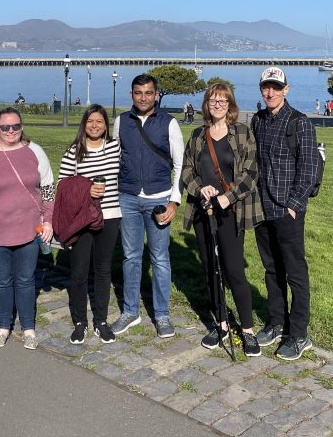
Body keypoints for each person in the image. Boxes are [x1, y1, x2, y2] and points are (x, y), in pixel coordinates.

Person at [180, 83, 263, 357]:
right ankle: (222, 323)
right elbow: (187, 171)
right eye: (213, 100)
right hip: (204, 211)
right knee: (210, 271)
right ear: (206, 104)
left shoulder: (242, 133)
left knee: (234, 270)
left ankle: (247, 329)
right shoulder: (197, 136)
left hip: (230, 212)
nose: (217, 105)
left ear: (230, 105)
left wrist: (229, 196)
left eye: (223, 101)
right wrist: (199, 188)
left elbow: (251, 172)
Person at [0, 107, 54, 349]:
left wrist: (48, 219)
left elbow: (48, 188)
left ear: (21, 127)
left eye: (15, 126)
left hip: (28, 229)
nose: (10, 131)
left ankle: (28, 328)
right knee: (2, 281)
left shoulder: (35, 152)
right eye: (5, 127)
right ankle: (4, 326)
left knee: (26, 280)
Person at [250, 67, 319, 362]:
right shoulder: (258, 120)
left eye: (276, 87)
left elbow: (310, 166)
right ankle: (277, 323)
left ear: (286, 89)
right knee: (271, 269)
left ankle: (299, 333)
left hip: (287, 210)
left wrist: (294, 204)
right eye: (266, 87)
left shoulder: (299, 122)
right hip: (261, 208)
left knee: (295, 272)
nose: (270, 92)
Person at [110, 74, 184, 339]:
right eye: (139, 93)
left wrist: (174, 200)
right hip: (128, 197)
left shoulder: (169, 123)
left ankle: (162, 315)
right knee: (131, 257)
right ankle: (130, 311)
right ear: (132, 94)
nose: (143, 98)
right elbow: (114, 158)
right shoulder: (121, 122)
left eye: (148, 93)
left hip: (159, 198)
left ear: (156, 95)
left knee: (160, 258)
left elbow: (180, 164)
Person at [58, 105, 122, 344]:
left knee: (104, 270)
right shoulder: (74, 152)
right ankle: (79, 322)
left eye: (100, 121)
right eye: (90, 121)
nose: (95, 125)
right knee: (79, 272)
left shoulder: (115, 147)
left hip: (110, 215)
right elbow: (63, 187)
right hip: (82, 219)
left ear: (106, 125)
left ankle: (101, 321)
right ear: (84, 124)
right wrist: (87, 190)